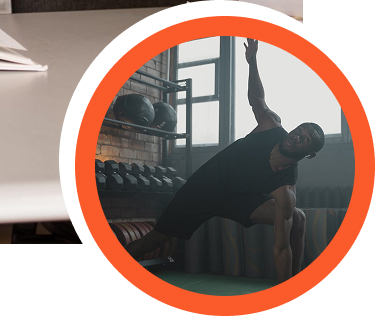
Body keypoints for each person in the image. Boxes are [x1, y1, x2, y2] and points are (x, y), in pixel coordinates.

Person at [124, 39, 323, 280]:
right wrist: (252, 61)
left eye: (305, 139)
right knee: (157, 238)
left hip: (240, 199)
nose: (297, 136)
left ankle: (294, 284)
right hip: (205, 187)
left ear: (309, 154)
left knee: (297, 218)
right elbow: (257, 98)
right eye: (299, 130)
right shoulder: (270, 126)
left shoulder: (286, 189)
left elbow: (281, 247)